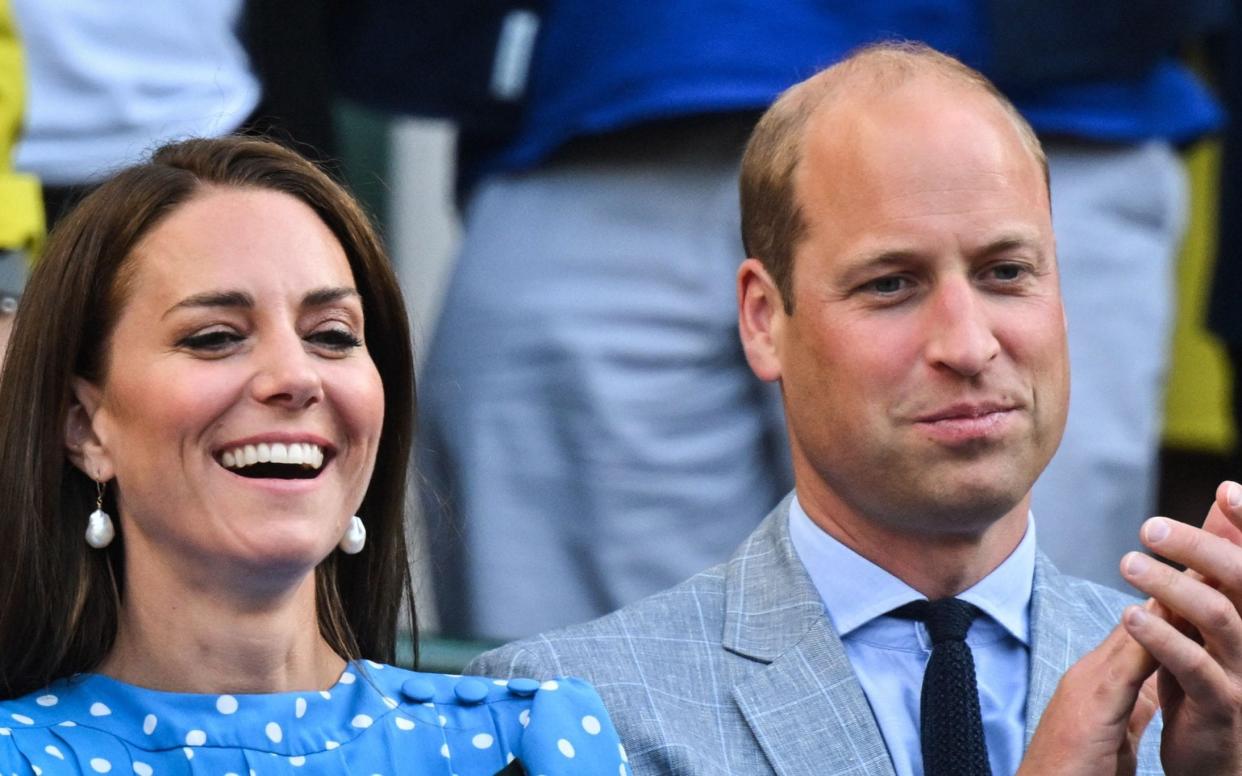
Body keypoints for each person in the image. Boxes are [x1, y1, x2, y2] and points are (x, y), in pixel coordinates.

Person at [471, 44, 1242, 774]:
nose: (968, 344)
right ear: (764, 320)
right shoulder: (568, 712)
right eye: (890, 284)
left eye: (1006, 272)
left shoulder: (1205, 689)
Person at [0, 136, 628, 775]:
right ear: (83, 426)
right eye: (215, 338)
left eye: (333, 336)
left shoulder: (529, 740)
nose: (295, 377)